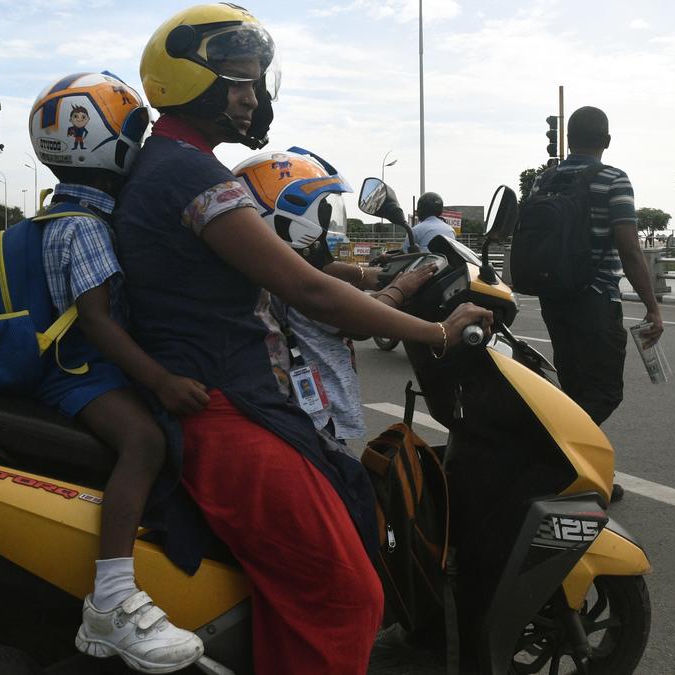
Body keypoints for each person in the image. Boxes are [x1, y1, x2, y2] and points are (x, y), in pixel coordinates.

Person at [117, 6, 493, 673]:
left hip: (226, 402)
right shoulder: (192, 175)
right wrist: (437, 330)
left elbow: (308, 271)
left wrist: (377, 275)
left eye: (255, 81)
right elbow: (310, 290)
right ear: (184, 78)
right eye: (236, 78)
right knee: (347, 594)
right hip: (228, 413)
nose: (251, 96)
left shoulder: (173, 163)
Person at [26, 72, 205, 672]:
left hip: (60, 367)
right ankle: (111, 598)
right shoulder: (87, 227)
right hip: (79, 371)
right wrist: (161, 381)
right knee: (146, 440)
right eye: (135, 128)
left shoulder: (55, 218)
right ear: (105, 141)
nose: (144, 137)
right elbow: (99, 323)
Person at [233, 147, 435, 444]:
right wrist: (400, 291)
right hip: (315, 419)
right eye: (323, 210)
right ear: (290, 216)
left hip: (300, 413)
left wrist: (366, 275)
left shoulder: (269, 270)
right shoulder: (298, 287)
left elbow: (320, 266)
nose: (329, 221)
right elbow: (361, 323)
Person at [531, 106, 664, 499]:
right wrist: (652, 306)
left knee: (573, 387)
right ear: (606, 141)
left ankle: (577, 475)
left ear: (569, 140)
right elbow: (630, 249)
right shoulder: (613, 179)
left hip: (554, 298)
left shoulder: (544, 180)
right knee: (605, 392)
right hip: (596, 297)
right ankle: (549, 463)